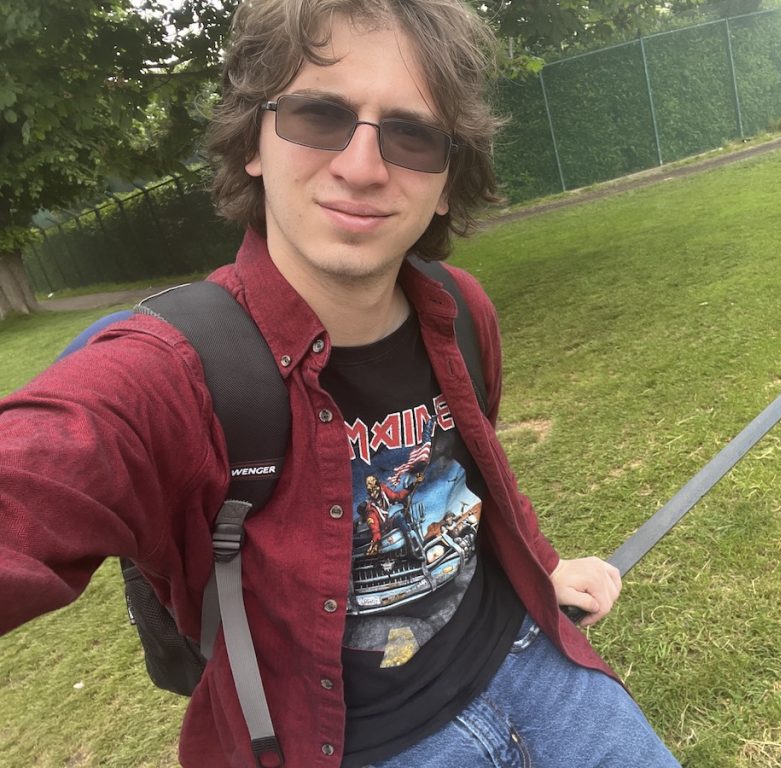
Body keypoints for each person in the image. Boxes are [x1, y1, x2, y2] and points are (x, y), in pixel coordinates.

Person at [0, 1, 683, 766]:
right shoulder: (170, 373)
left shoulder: (460, 312)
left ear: (449, 182)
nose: (361, 166)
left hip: (530, 661)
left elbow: (475, 470)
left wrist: (545, 564)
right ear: (252, 142)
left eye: (413, 133)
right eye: (318, 115)